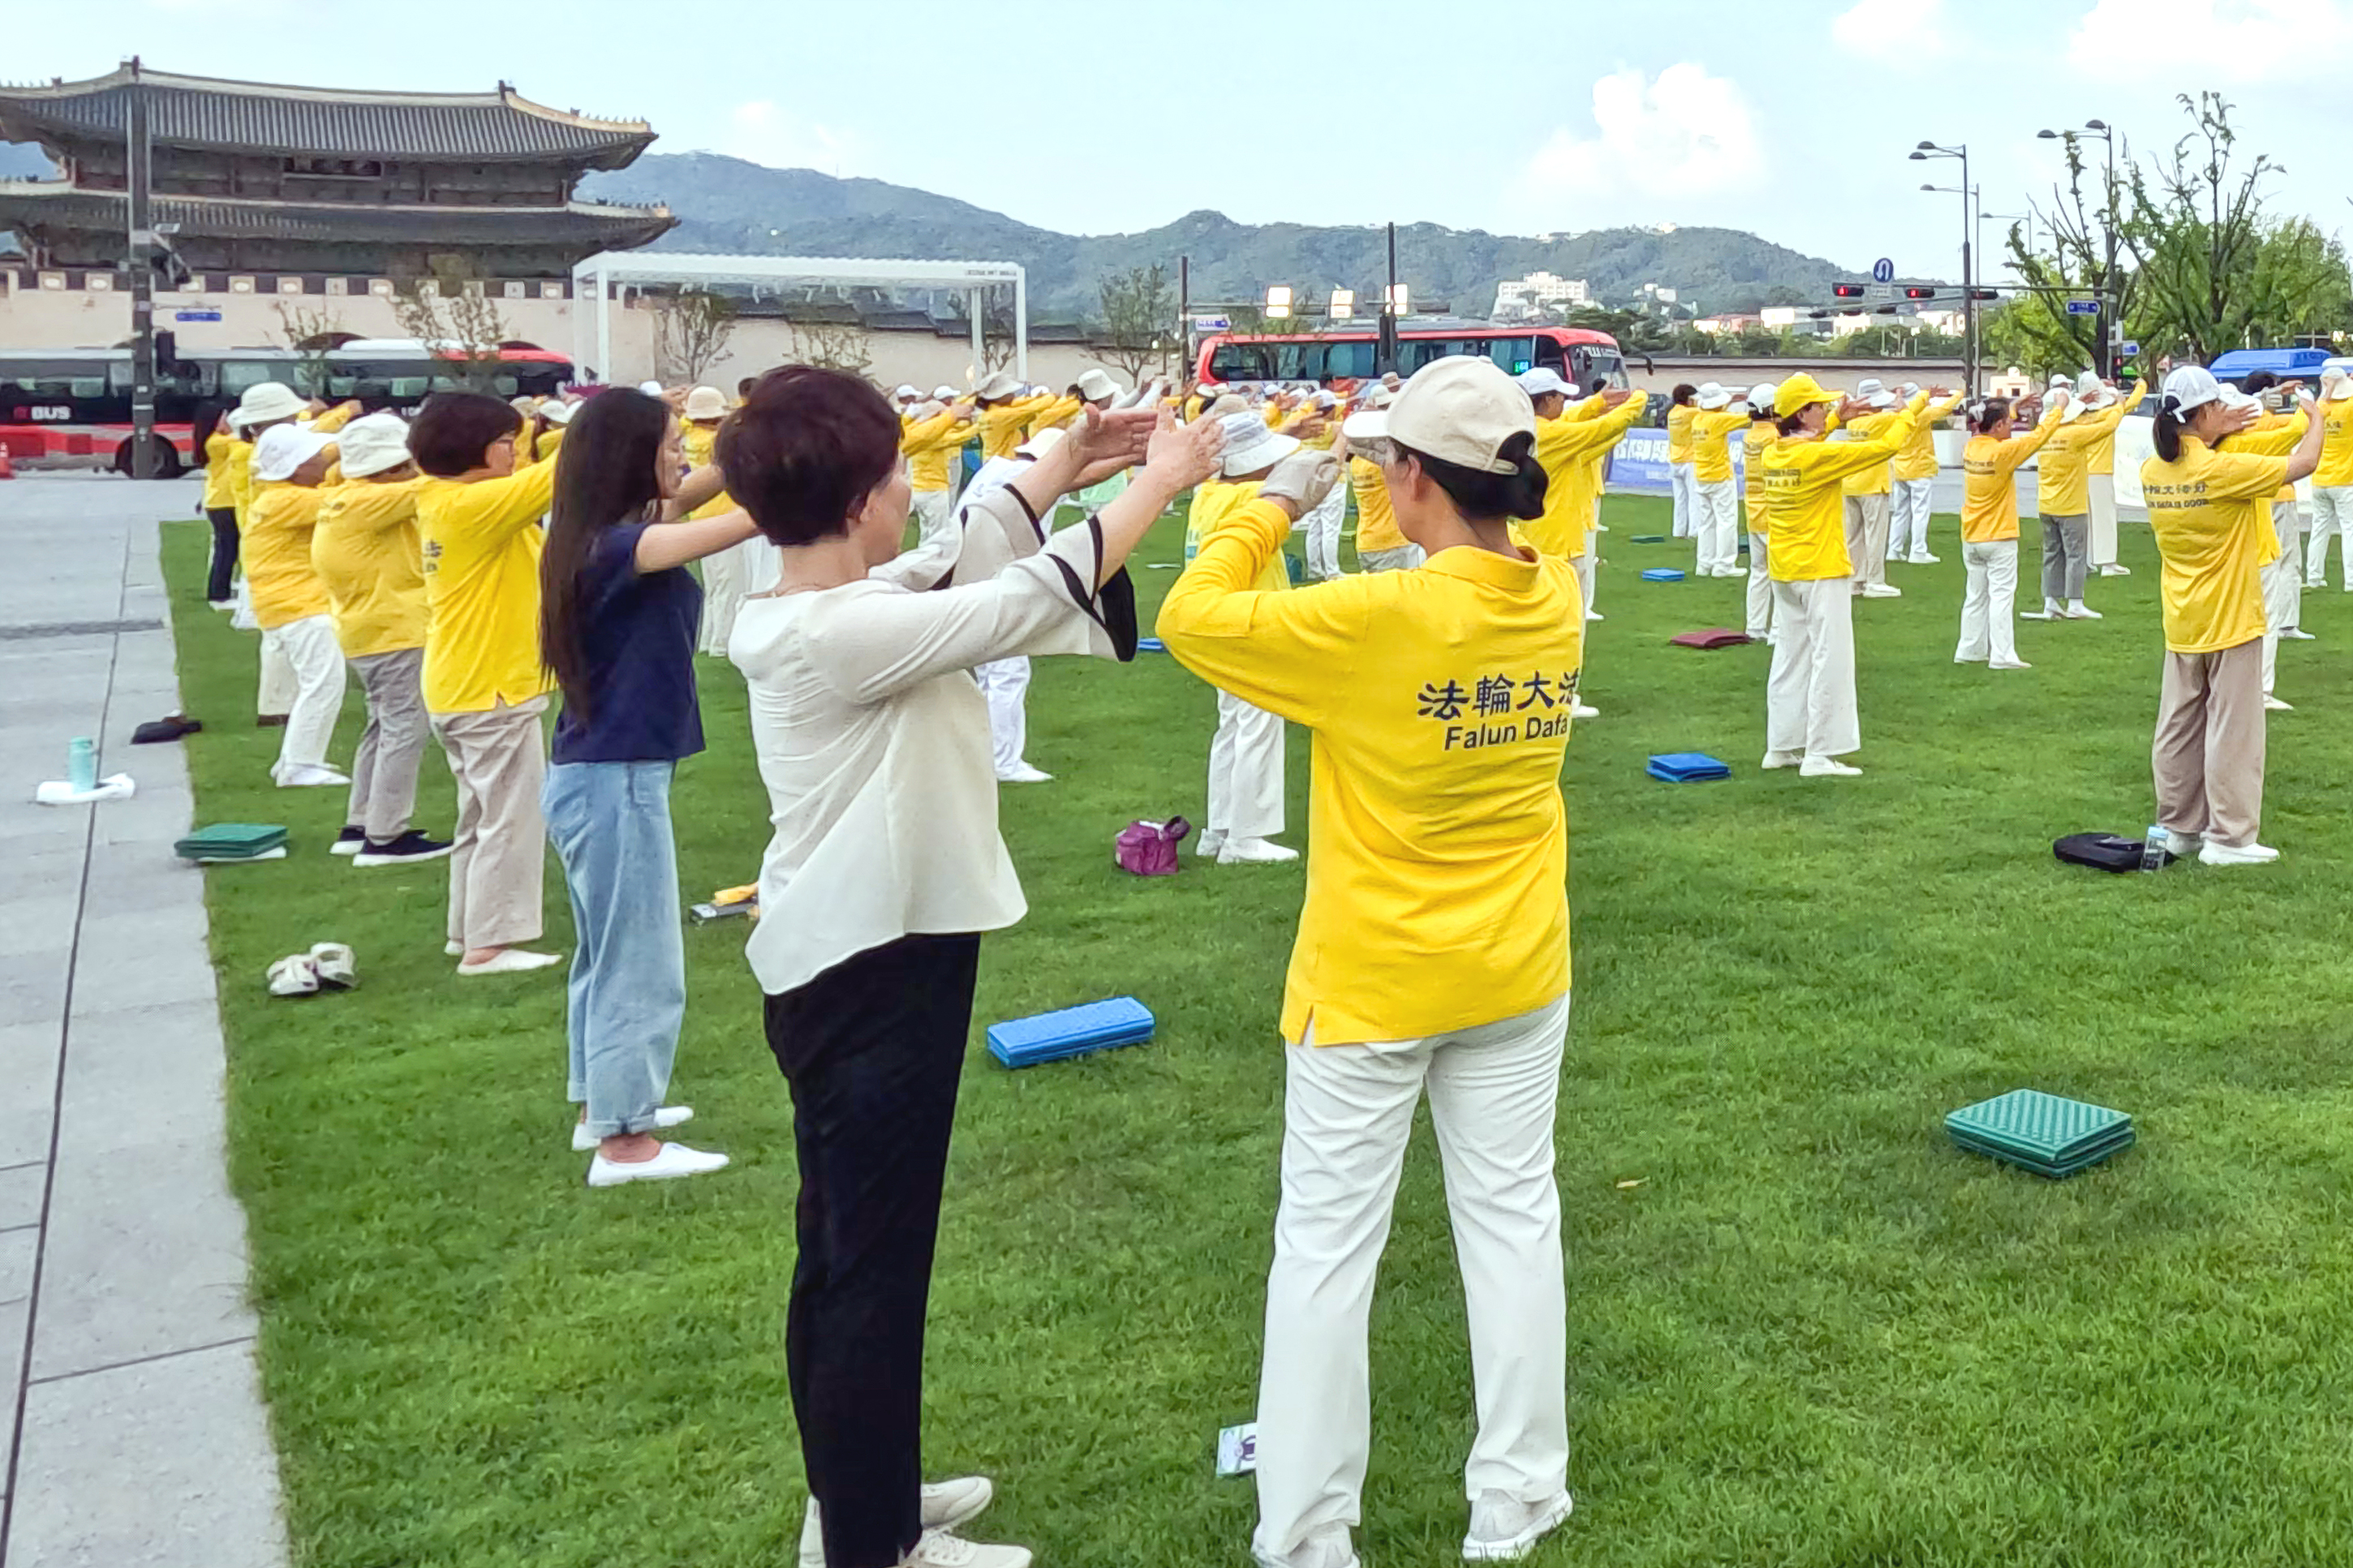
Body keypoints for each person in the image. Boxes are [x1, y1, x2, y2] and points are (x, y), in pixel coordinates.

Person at [723, 366, 1213, 1568]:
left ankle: (860, 1500)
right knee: (868, 1269)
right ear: (857, 503)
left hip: (867, 958)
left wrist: (1073, 455)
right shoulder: (833, 633)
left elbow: (963, 554)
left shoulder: (835, 604)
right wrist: (1158, 484)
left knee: (849, 1254)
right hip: (869, 972)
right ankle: (871, 1543)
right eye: (897, 474)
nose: (912, 491)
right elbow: (1014, 599)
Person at [1159, 359, 1585, 1568]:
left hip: (1374, 979)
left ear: (1410, 478)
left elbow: (1191, 616)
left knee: (1326, 1253)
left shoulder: (1380, 616)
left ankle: (1306, 1531)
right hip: (1514, 966)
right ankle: (1517, 1498)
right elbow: (1471, 566)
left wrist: (1269, 503)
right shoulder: (1551, 590)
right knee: (1512, 1224)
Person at [540, 387, 759, 1187]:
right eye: (670, 443)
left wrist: (749, 439)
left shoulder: (595, 534)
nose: (683, 454)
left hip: (601, 774)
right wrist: (797, 476)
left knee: (605, 952)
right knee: (638, 959)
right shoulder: (619, 548)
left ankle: (602, 1106)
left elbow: (695, 494)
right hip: (614, 779)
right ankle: (625, 1142)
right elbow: (742, 520)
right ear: (629, 457)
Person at [411, 393, 605, 976]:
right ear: (473, 449)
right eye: (505, 442)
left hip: (462, 683)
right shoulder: (473, 504)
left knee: (480, 816)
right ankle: (490, 943)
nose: (515, 451)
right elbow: (565, 473)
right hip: (489, 687)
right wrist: (605, 417)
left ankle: (467, 929)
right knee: (511, 817)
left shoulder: (447, 500)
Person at [2140, 367, 2322, 866]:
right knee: (2234, 729)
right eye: (2218, 407)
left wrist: (2220, 432)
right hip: (2231, 616)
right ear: (2202, 413)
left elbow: (2197, 455)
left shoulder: (2153, 470)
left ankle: (2178, 827)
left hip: (2182, 617)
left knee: (2178, 726)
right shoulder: (2222, 470)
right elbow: (2304, 463)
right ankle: (2229, 836)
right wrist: (2315, 417)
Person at [1761, 376, 1931, 777]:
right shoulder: (1816, 457)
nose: (1824, 410)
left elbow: (1808, 446)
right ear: (1803, 413)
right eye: (1818, 406)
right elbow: (1885, 448)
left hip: (1785, 569)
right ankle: (1820, 753)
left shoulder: (1773, 453)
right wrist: (1909, 413)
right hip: (1820, 568)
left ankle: (1781, 746)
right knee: (1831, 659)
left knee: (1789, 658)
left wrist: (1837, 419)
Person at [308, 412, 453, 863]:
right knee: (405, 729)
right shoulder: (371, 500)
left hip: (369, 631)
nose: (414, 472)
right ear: (387, 469)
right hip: (396, 631)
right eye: (406, 465)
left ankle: (361, 823)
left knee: (381, 726)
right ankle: (387, 835)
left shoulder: (346, 498)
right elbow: (439, 487)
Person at [1188, 411, 1306, 862]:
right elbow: (1299, 484)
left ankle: (1219, 829)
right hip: (1251, 622)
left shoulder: (1208, 494)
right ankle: (1246, 838)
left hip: (1218, 622)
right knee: (1258, 726)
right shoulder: (1248, 497)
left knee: (1233, 726)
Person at [1514, 368, 1641, 715]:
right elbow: (1599, 430)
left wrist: (1599, 403)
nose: (1564, 402)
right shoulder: (1550, 434)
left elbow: (1590, 431)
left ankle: (1539, 691)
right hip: (1560, 541)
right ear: (1547, 400)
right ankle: (1562, 697)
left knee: (1541, 624)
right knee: (1567, 627)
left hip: (1539, 536)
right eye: (1559, 397)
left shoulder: (1528, 430)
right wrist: (1636, 402)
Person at [957, 427, 1074, 784]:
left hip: (970, 573)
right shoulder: (1028, 480)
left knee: (989, 673)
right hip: (997, 578)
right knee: (1008, 672)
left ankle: (984, 754)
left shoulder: (994, 469)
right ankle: (1003, 761)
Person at [243, 424, 351, 788]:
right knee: (323, 684)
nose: (322, 461)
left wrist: (351, 442)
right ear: (296, 466)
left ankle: (294, 759)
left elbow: (331, 458)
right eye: (313, 457)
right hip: (302, 607)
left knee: (318, 683)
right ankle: (301, 766)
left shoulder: (277, 495)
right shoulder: (291, 500)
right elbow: (352, 501)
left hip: (284, 605)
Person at [2216, 380, 2312, 712]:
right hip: (2257, 547)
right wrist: (2308, 403)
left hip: (2224, 553)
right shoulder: (2247, 443)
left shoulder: (2201, 451)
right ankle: (2261, 690)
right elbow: (2296, 431)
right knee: (2266, 620)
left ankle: (2226, 687)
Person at [1955, 395, 2063, 671]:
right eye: (2008, 422)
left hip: (1972, 534)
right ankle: (2002, 655)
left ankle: (1969, 649)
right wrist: (2059, 408)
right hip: (1999, 536)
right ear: (1999, 425)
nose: (2012, 426)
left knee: (1975, 596)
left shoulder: (1971, 447)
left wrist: (2014, 407)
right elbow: (2038, 437)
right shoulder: (2003, 453)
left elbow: (1995, 424)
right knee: (2001, 597)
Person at [2027, 377, 2144, 621]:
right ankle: (2075, 603)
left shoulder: (2041, 435)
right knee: (2075, 554)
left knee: (2051, 554)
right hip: (2071, 504)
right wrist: (2119, 404)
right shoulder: (2075, 434)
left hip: (2046, 504)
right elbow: (2108, 426)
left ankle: (2050, 602)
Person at [1837, 379, 1904, 599]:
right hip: (1873, 484)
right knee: (1875, 535)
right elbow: (1907, 414)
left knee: (1853, 536)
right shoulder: (1882, 420)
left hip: (1850, 484)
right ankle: (1875, 581)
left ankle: (1855, 580)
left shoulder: (1853, 423)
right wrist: (1903, 399)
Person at [1890, 383, 1966, 565]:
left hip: (1899, 468)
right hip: (1920, 469)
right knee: (1920, 512)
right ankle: (1918, 551)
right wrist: (1958, 394)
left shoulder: (1894, 416)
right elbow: (1945, 408)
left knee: (1900, 512)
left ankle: (1894, 550)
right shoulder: (1922, 415)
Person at [2081, 372, 2146, 576]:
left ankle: (2086, 561)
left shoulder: (2077, 417)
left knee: (2085, 519)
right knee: (2105, 517)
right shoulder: (2109, 414)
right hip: (2101, 471)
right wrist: (2141, 385)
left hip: (2080, 472)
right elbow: (2131, 402)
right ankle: (2108, 563)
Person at [1687, 383, 1753, 578]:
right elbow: (1750, 418)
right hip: (1720, 476)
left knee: (1706, 523)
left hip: (1701, 476)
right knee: (1726, 522)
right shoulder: (1719, 420)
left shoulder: (1698, 419)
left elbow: (1715, 410)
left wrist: (1730, 400)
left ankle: (1704, 564)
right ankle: (1724, 565)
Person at [2302, 363, 2353, 596]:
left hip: (2320, 478)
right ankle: (2350, 580)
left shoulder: (2320, 408)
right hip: (2346, 479)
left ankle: (2314, 577)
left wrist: (2327, 390)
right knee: (2349, 529)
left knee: (2319, 528)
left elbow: (2317, 411)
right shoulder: (2350, 406)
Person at [901, 394, 978, 548]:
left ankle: (921, 558)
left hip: (919, 489)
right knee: (938, 534)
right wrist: (980, 425)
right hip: (934, 490)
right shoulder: (934, 438)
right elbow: (960, 437)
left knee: (925, 534)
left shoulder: (915, 430)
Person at [1741, 383, 1780, 642]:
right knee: (1780, 575)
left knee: (1758, 572)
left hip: (1753, 512)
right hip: (1773, 512)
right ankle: (1777, 631)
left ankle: (1754, 627)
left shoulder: (1751, 436)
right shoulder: (1774, 436)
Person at [195, 401, 240, 608]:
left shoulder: (216, 441)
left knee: (227, 547)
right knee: (227, 549)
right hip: (224, 502)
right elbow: (248, 442)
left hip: (220, 501)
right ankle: (218, 593)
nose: (229, 422)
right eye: (225, 417)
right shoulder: (218, 442)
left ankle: (221, 587)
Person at [1664, 384, 1698, 539]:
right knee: (1694, 498)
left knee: (1680, 499)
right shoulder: (1690, 413)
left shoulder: (1672, 413)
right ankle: (1694, 531)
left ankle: (1678, 531)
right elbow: (1710, 411)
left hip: (1675, 459)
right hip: (1690, 459)